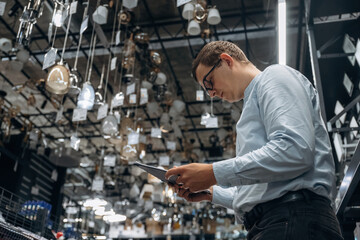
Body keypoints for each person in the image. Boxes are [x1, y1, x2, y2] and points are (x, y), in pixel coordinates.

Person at [165, 41, 343, 240]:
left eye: (209, 82)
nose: (212, 93)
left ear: (226, 61)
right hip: (277, 221)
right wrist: (210, 192)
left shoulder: (274, 77)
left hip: (293, 217)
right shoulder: (251, 106)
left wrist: (213, 172)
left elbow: (295, 150)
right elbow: (263, 190)